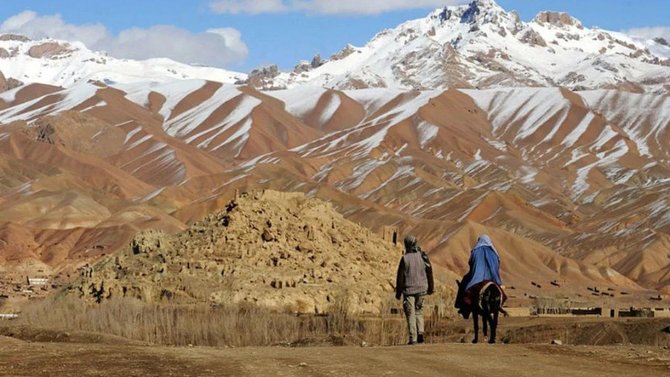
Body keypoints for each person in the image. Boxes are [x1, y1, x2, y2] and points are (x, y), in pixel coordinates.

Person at [395, 235, 434, 345]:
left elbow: (400, 277)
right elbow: (429, 271)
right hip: (422, 289)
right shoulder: (423, 256)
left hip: (409, 290)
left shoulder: (405, 258)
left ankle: (413, 338)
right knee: (419, 311)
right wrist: (431, 288)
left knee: (410, 313)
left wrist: (398, 292)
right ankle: (420, 332)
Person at [455, 234, 504, 319]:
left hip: (477, 276)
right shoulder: (494, 252)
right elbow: (498, 264)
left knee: (465, 282)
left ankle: (461, 305)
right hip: (492, 277)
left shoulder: (475, 251)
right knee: (500, 290)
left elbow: (471, 263)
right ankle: (500, 303)